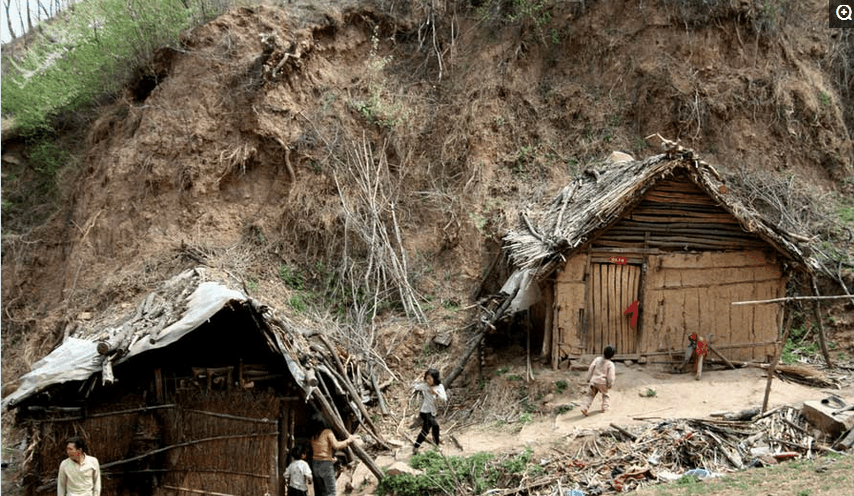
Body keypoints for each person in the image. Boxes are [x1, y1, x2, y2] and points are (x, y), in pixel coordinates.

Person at [309, 414, 358, 496]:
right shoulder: (327, 432)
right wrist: (348, 440)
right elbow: (337, 445)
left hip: (315, 465)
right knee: (331, 492)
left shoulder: (313, 436)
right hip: (325, 465)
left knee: (322, 492)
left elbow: (319, 451)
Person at [412, 368, 447, 454]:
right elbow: (414, 386)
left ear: (435, 378)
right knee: (435, 426)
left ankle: (416, 447)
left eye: (429, 378)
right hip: (425, 412)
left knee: (425, 430)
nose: (428, 381)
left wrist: (436, 394)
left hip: (433, 412)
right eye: (426, 378)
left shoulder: (440, 387)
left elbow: (444, 399)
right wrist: (417, 380)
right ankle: (436, 446)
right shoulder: (425, 386)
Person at [580, 345, 616, 416]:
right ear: (612, 356)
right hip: (603, 382)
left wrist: (588, 378)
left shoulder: (597, 359)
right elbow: (611, 376)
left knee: (590, 395)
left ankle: (584, 407)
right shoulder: (610, 364)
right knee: (605, 395)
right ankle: (605, 408)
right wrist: (609, 384)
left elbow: (591, 368)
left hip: (594, 380)